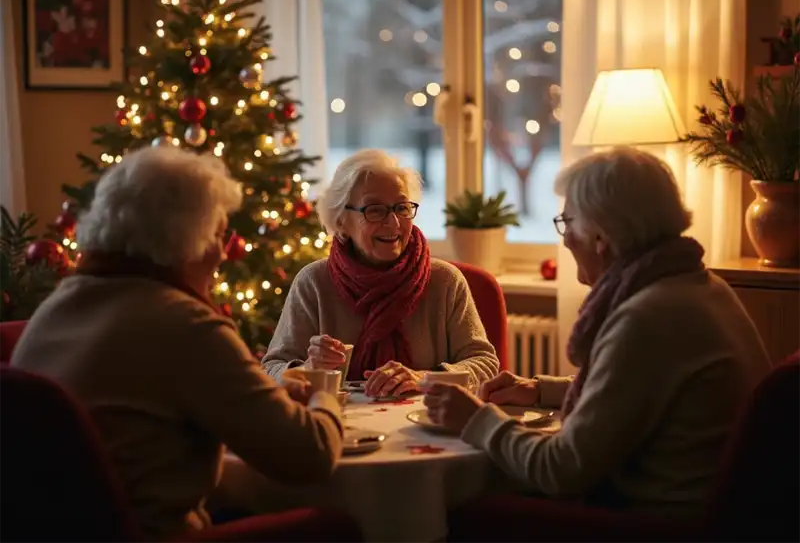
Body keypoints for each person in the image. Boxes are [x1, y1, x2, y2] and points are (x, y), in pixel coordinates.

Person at [11, 147, 344, 540]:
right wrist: (326, 396)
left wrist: (267, 394)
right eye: (219, 234)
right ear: (187, 239)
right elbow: (311, 455)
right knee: (336, 528)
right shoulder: (188, 325)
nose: (223, 252)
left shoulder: (55, 308)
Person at [423, 147, 770, 517]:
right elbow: (637, 395)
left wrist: (476, 420)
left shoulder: (646, 317)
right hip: (719, 513)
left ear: (600, 237)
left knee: (466, 513)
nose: (566, 238)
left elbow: (562, 470)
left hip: (653, 524)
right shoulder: (700, 287)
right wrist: (542, 390)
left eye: (567, 222)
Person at [262, 149, 499, 397]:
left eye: (402, 208)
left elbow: (485, 364)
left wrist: (423, 378)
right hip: (338, 423)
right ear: (341, 220)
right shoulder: (313, 283)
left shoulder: (445, 281)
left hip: (426, 423)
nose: (394, 223)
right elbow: (271, 369)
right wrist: (308, 369)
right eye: (374, 210)